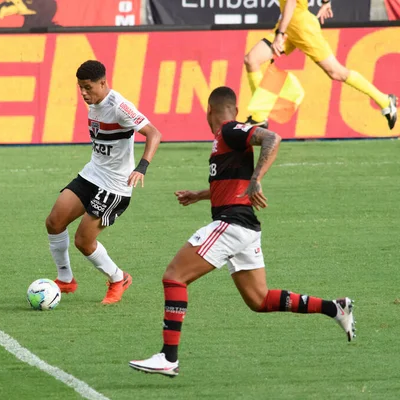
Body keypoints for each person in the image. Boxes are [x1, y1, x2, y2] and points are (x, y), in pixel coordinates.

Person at [128, 86, 355, 377]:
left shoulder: (229, 129)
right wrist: (200, 194)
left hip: (231, 224)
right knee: (259, 300)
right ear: (235, 108)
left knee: (174, 277)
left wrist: (257, 178)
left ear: (209, 111)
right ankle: (336, 308)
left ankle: (168, 357)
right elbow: (232, 184)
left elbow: (273, 137)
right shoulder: (224, 139)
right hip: (244, 226)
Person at [45, 60, 162, 304]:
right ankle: (65, 280)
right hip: (92, 174)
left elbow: (154, 133)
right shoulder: (93, 104)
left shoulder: (119, 106)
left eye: (88, 87)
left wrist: (142, 166)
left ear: (102, 82)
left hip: (115, 186)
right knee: (54, 222)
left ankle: (119, 278)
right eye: (80, 88)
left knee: (83, 242)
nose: (83, 93)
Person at [244, 0, 397, 130]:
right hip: (290, 24)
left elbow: (290, 2)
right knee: (252, 59)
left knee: (336, 72)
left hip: (300, 26)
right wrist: (326, 2)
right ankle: (259, 117)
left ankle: (384, 100)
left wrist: (280, 33)